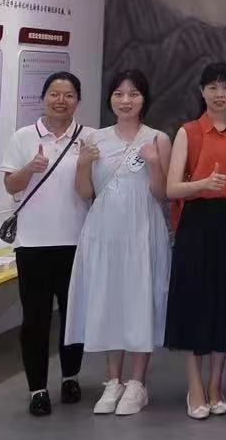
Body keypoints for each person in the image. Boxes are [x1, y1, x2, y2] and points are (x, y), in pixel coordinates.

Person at [66, 70, 171, 417]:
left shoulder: (158, 139)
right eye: (119, 94)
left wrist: (154, 164)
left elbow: (162, 193)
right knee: (110, 299)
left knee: (140, 299)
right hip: (105, 230)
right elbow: (85, 193)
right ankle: (113, 381)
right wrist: (83, 165)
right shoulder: (94, 138)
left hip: (142, 229)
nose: (126, 101)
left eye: (134, 94)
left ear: (144, 99)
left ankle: (138, 383)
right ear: (110, 98)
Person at [165, 61, 226, 420]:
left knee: (224, 305)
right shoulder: (189, 132)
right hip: (197, 224)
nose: (220, 94)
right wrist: (202, 185)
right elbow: (172, 188)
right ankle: (195, 387)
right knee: (195, 304)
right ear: (202, 91)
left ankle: (217, 385)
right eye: (213, 87)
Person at [0, 71, 89, 416]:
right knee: (35, 319)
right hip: (33, 244)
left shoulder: (88, 138)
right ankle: (37, 388)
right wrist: (30, 168)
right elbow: (11, 185)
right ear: (43, 97)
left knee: (72, 316)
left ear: (77, 101)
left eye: (68, 95)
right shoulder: (23, 137)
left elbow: (93, 188)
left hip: (76, 241)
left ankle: (70, 377)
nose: (60, 100)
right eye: (54, 93)